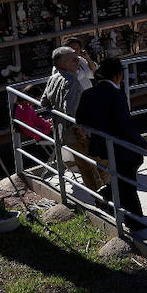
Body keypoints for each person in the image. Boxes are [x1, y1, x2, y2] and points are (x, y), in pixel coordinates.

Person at [75, 58, 147, 225]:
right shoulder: (117, 94)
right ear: (118, 75)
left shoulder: (88, 93)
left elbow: (80, 118)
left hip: (101, 144)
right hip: (121, 145)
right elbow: (125, 124)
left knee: (125, 178)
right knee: (129, 180)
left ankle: (111, 193)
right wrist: (142, 143)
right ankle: (134, 220)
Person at [39, 45, 102, 187]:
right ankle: (103, 198)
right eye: (73, 59)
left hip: (63, 131)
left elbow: (44, 102)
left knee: (85, 166)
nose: (77, 60)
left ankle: (99, 196)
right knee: (96, 165)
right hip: (78, 133)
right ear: (63, 64)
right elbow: (72, 110)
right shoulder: (72, 81)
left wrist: (57, 111)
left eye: (77, 57)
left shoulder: (54, 78)